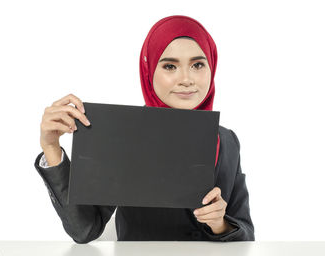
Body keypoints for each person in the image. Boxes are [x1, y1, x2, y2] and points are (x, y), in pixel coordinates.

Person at [34, 15, 255, 243]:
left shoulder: (227, 141)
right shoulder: (125, 135)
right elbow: (84, 229)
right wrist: (51, 148)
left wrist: (220, 224)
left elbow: (246, 233)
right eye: (170, 66)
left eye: (198, 64)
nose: (186, 79)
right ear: (149, 72)